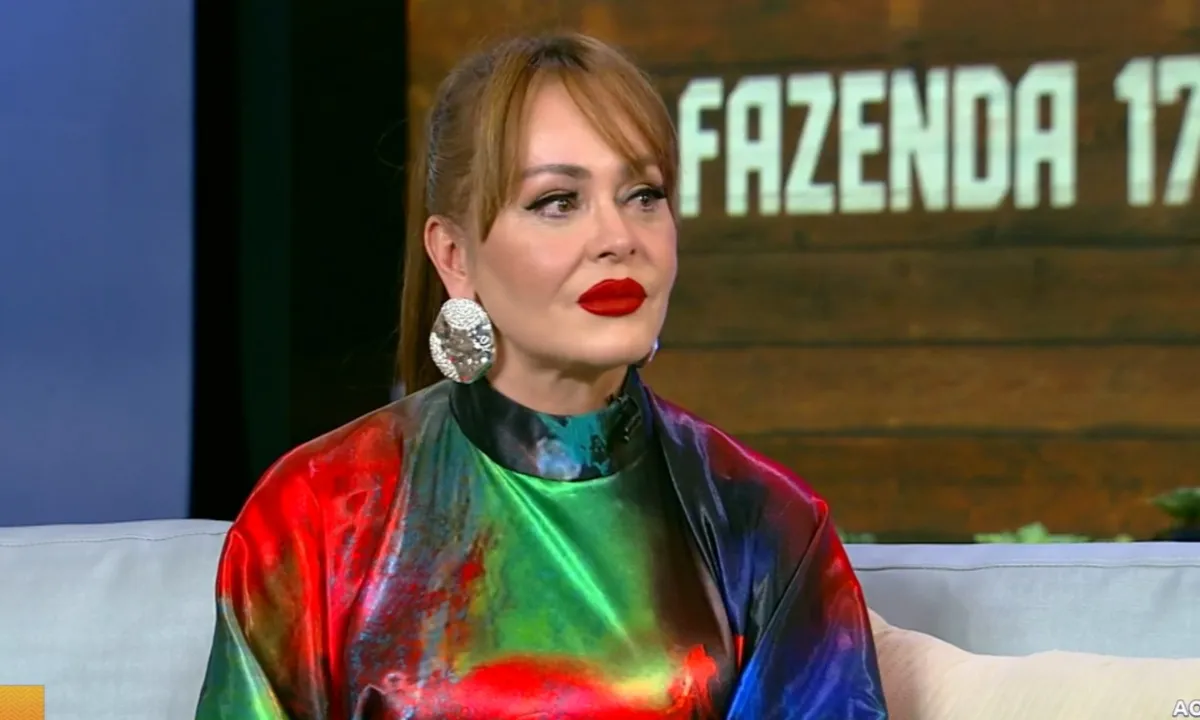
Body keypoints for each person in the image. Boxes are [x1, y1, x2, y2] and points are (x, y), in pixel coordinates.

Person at [194, 32, 888, 720]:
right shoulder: (318, 514)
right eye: (558, 201)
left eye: (644, 194)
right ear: (454, 255)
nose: (619, 238)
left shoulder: (765, 525)